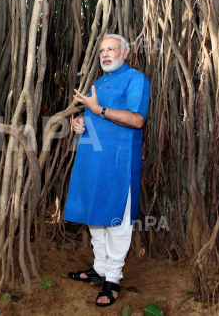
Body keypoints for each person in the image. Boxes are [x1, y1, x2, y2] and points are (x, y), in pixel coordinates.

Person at [64, 34, 150, 307]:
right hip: (91, 161)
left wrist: (98, 109)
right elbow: (93, 115)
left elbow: (137, 120)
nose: (105, 54)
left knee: (116, 220)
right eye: (102, 50)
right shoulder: (99, 82)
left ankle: (112, 278)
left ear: (125, 52)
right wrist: (80, 122)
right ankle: (99, 269)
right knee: (95, 217)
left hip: (118, 163)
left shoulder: (136, 79)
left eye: (111, 49)